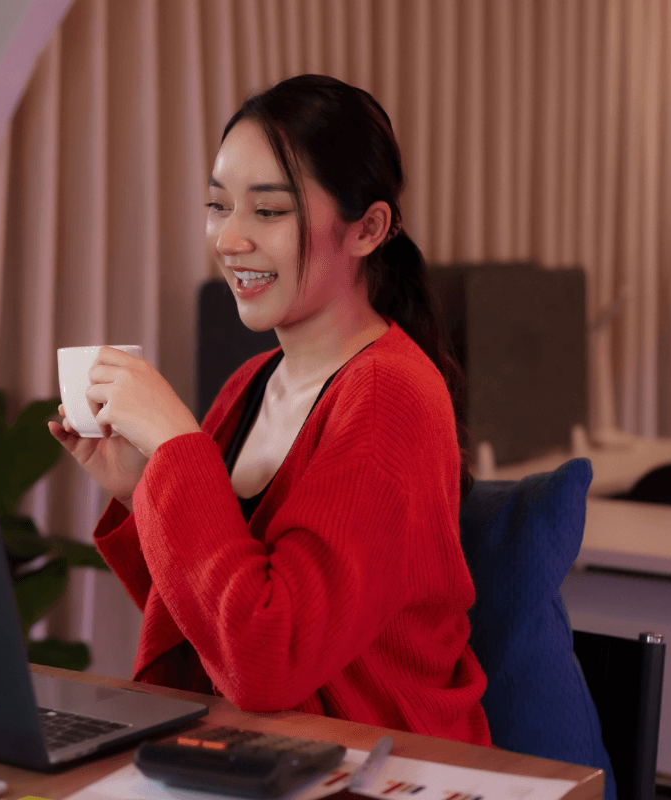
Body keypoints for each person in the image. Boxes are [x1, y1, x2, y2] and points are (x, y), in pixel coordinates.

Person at [48, 74, 491, 745]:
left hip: (380, 763)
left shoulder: (388, 396)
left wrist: (177, 447)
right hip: (257, 753)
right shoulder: (251, 383)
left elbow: (268, 660)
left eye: (269, 211)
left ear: (368, 229)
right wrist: (142, 489)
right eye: (218, 205)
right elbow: (208, 629)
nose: (229, 239)